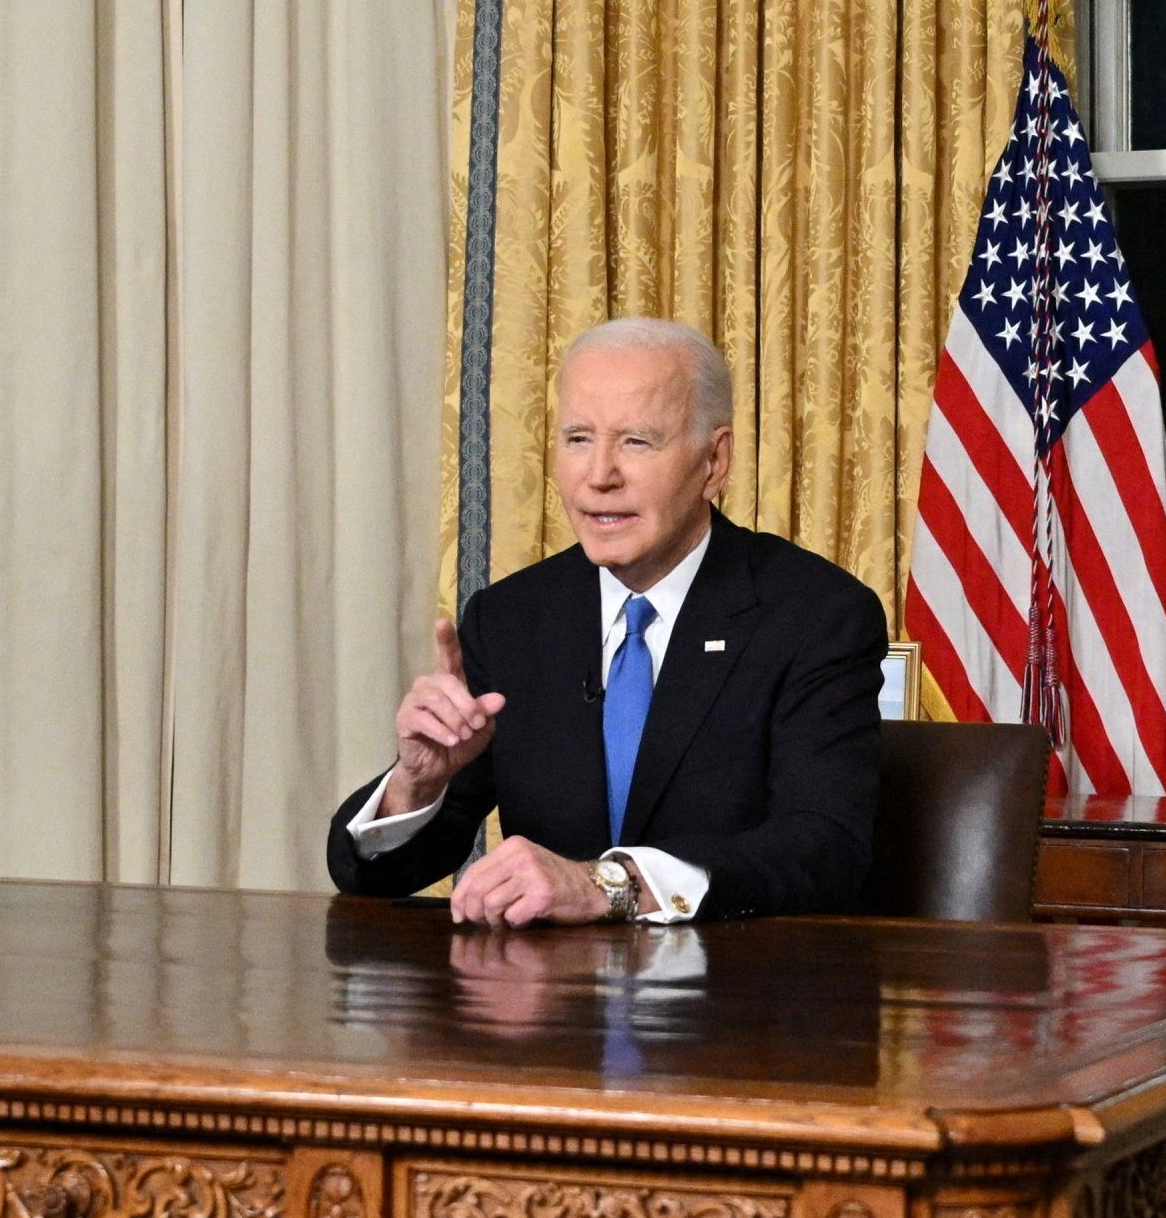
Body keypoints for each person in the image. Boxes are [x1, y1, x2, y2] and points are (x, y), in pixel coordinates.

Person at [328, 317, 887, 924]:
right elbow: (378, 877)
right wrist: (416, 785)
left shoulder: (816, 615)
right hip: (549, 982)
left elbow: (825, 850)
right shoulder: (511, 619)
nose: (599, 476)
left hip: (733, 976)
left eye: (636, 442)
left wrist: (611, 885)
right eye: (577, 439)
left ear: (714, 460)